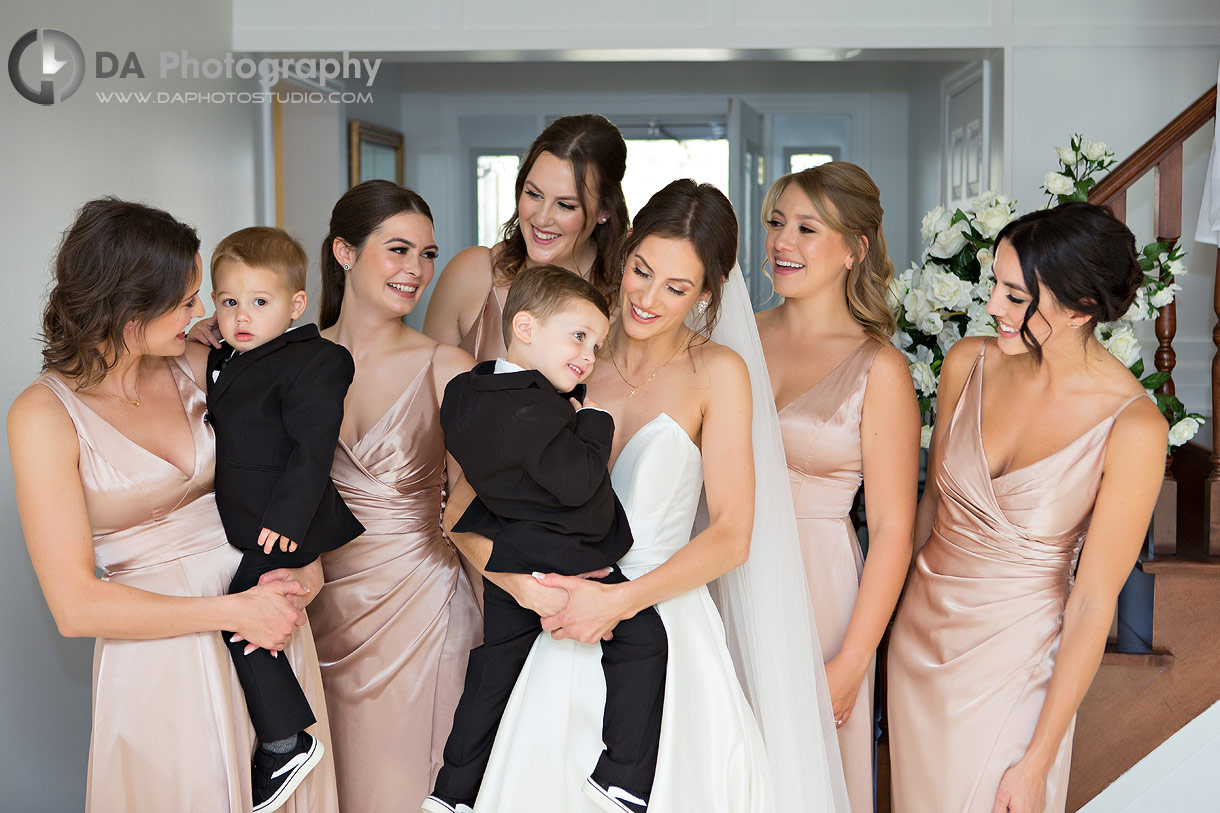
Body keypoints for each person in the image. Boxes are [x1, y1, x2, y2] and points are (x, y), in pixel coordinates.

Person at [443, 180, 851, 812]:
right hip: (550, 618)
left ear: (709, 293)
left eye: (677, 288)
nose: (648, 298)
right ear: (625, 249)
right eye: (640, 271)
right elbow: (459, 515)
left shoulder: (718, 373)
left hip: (661, 624)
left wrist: (621, 603)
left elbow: (733, 534)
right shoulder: (566, 346)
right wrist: (525, 587)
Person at [7, 198, 338, 812]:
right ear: (132, 307)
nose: (205, 313)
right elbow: (74, 606)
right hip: (162, 654)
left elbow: (291, 456)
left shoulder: (200, 364)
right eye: (188, 300)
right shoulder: (42, 415)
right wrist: (230, 611)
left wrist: (305, 559)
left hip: (266, 625)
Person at [886, 202, 1169, 813]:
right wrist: (880, 628)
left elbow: (1094, 603)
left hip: (1016, 671)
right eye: (995, 285)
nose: (992, 306)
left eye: (1016, 296)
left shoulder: (1134, 426)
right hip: (917, 649)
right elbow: (931, 508)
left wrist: (1038, 759)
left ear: (1079, 309)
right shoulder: (970, 363)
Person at [425, 265, 668, 813]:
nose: (588, 355)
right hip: (571, 559)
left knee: (495, 673)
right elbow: (581, 482)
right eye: (578, 336)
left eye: (597, 344)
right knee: (644, 641)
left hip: (509, 559)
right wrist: (593, 423)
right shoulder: (539, 410)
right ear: (528, 328)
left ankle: (452, 791)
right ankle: (622, 775)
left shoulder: (467, 390)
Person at [307, 181, 482, 813]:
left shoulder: (447, 366)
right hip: (311, 612)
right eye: (399, 250)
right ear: (344, 252)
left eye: (428, 255)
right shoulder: (289, 360)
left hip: (423, 613)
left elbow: (475, 506)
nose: (417, 270)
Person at [757, 163, 919, 811]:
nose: (781, 241)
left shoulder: (880, 366)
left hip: (819, 594)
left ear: (855, 249)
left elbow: (893, 532)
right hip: (719, 576)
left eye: (805, 227)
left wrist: (853, 661)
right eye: (775, 222)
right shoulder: (729, 336)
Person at [186, 227, 364, 812]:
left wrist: (288, 519)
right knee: (243, 613)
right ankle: (282, 737)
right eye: (228, 301)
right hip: (241, 521)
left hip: (285, 521)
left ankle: (286, 741)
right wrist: (200, 333)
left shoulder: (318, 360)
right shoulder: (228, 355)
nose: (241, 316)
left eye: (259, 303)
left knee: (242, 613)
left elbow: (314, 449)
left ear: (295, 305)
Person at [422, 113, 628, 362]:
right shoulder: (472, 273)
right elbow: (426, 389)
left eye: (565, 205)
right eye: (534, 194)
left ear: (604, 211)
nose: (541, 219)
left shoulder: (625, 301)